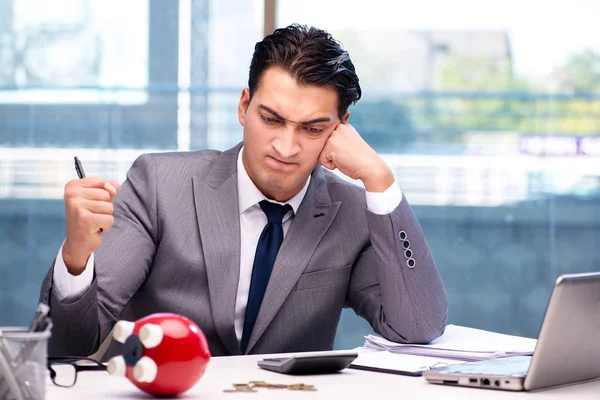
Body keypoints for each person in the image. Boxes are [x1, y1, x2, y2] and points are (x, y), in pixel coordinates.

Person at [39, 24, 447, 359]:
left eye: (312, 129)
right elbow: (72, 345)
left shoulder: (353, 212)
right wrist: (76, 258)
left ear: (341, 127)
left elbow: (416, 326)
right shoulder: (160, 185)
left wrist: (380, 179)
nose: (286, 148)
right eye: (271, 119)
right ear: (243, 107)